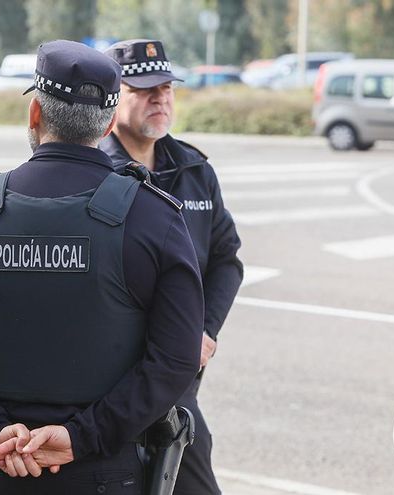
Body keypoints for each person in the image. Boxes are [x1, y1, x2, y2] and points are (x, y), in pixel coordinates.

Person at [0, 39, 205, 494]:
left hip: (4, 468)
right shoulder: (154, 218)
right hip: (109, 472)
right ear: (108, 123)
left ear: (34, 116)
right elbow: (176, 358)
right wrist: (83, 436)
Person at [101, 39, 244, 495]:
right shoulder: (96, 172)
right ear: (113, 96)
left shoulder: (194, 168)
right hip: (116, 374)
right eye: (143, 89)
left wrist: (204, 330)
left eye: (166, 87)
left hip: (180, 368)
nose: (159, 97)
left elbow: (226, 259)